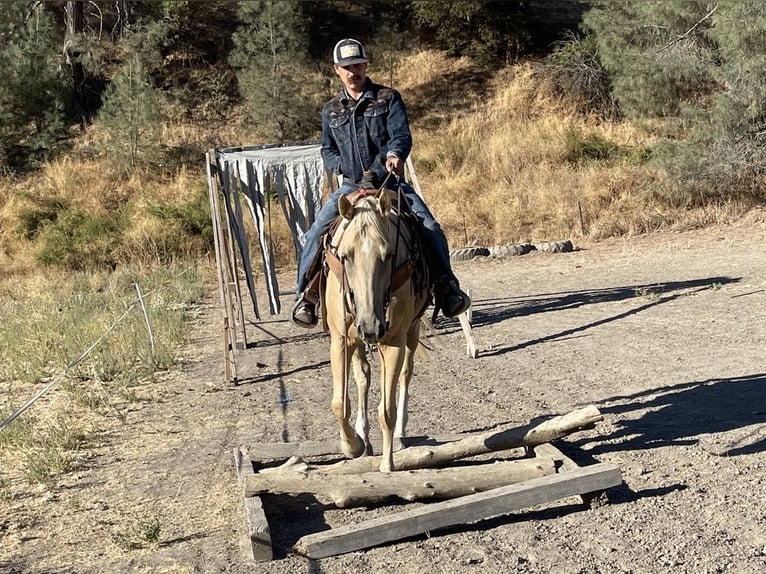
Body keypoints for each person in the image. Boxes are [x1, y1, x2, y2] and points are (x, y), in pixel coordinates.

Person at [291, 38, 470, 328]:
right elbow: (327, 149)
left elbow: (400, 135)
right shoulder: (330, 110)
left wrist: (395, 155)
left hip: (389, 184)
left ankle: (445, 286)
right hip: (350, 187)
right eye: (347, 67)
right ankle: (307, 296)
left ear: (366, 65)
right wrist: (340, 166)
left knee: (429, 227)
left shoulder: (388, 98)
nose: (353, 72)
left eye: (358, 65)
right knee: (315, 233)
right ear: (337, 70)